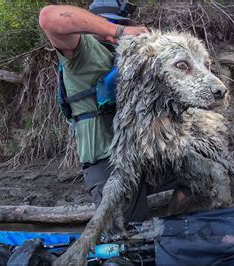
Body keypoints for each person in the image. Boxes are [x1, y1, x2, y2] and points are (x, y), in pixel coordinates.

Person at [39, 1, 153, 222]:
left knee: (200, 175)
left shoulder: (127, 54)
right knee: (128, 236)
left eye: (120, 24)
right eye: (111, 25)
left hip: (140, 154)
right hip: (107, 162)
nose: (115, 33)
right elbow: (48, 17)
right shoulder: (80, 50)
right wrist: (119, 30)